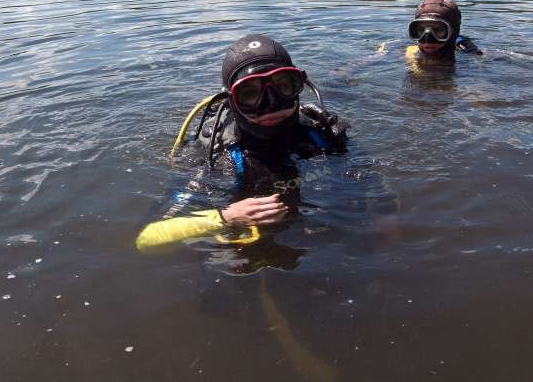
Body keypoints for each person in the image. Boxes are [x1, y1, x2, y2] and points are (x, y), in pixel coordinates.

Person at [136, 33, 395, 258]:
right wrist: (225, 217)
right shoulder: (217, 156)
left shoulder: (320, 133)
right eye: (251, 93)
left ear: (298, 87)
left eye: (283, 87)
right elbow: (147, 238)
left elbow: (372, 178)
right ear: (232, 100)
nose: (271, 104)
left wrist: (388, 218)